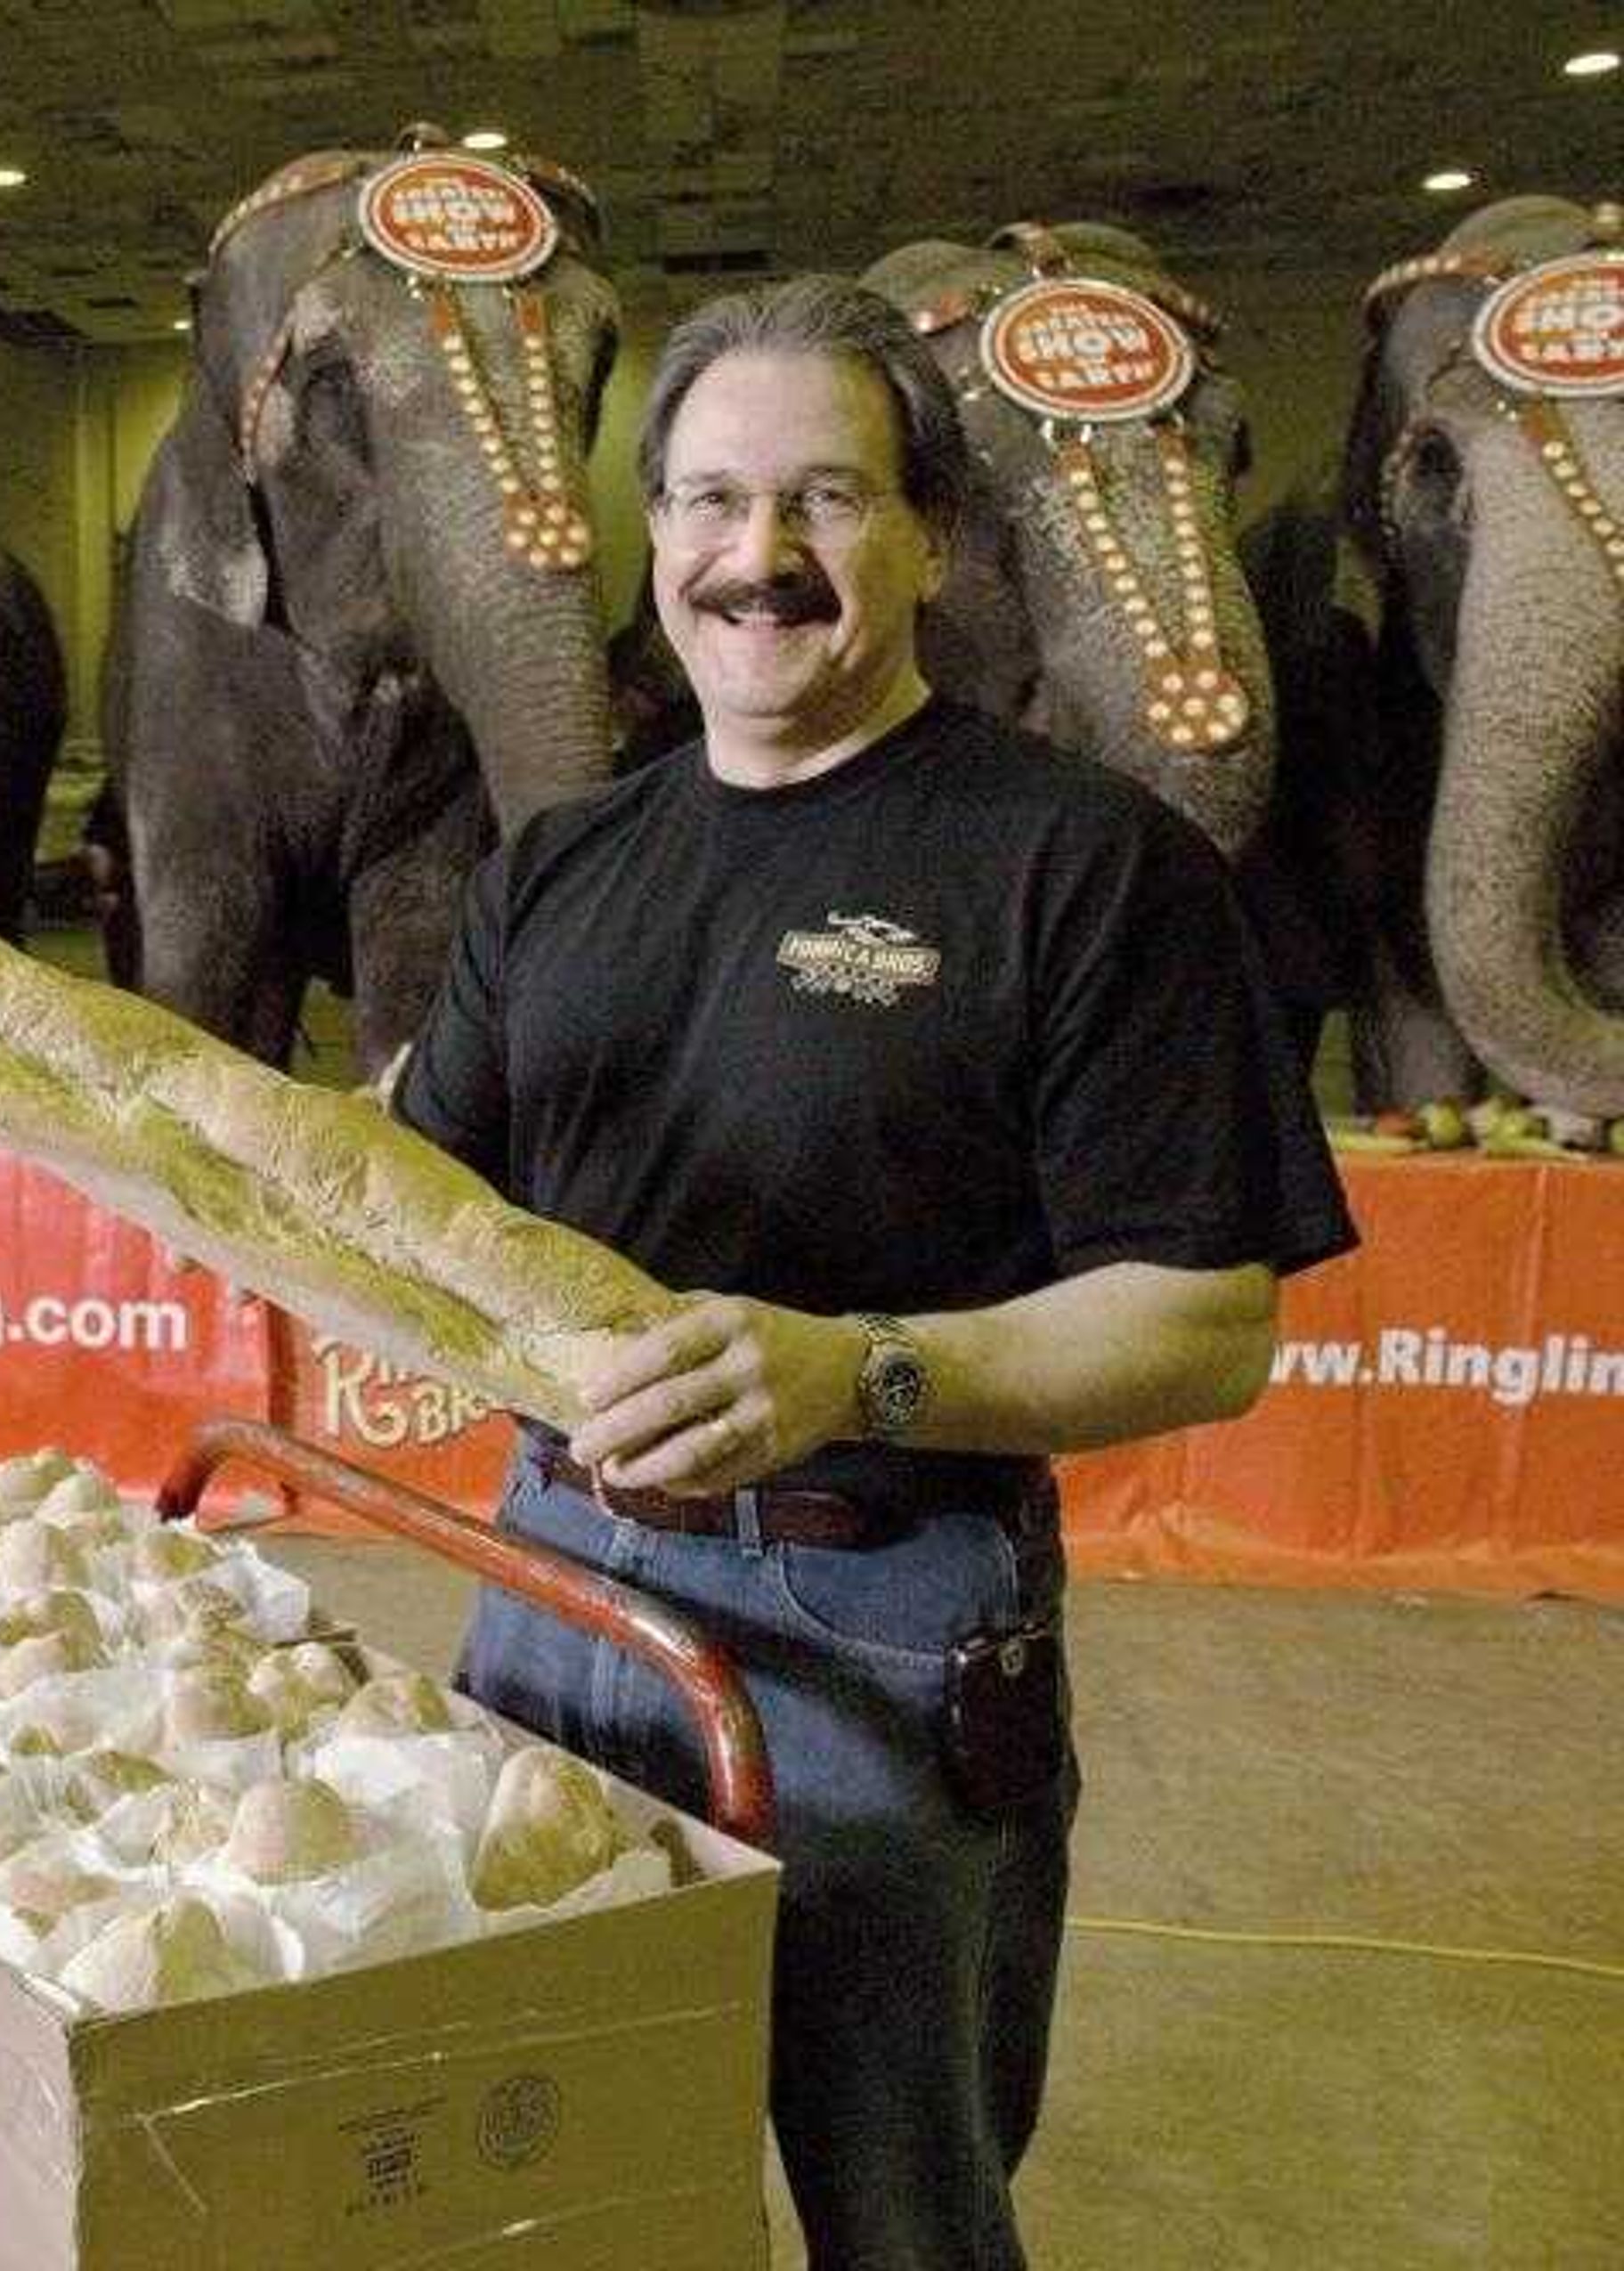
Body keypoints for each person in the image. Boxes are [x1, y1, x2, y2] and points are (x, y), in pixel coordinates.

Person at [391, 275, 1353, 2270]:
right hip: (545, 1587)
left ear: (929, 536)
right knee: (538, 2170)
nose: (760, 562)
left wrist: (861, 1374)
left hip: (874, 1626)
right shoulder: (558, 867)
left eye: (826, 502)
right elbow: (416, 1203)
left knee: (900, 2208)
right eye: (713, 501)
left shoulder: (1084, 867)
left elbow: (1211, 1319)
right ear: (650, 531)